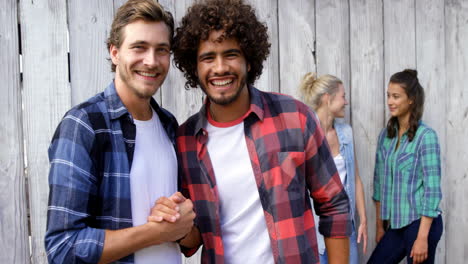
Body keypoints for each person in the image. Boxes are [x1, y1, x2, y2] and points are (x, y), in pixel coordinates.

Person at [153, 0, 352, 263]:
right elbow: (194, 239)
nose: (220, 67)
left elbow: (334, 207)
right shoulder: (185, 141)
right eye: (208, 57)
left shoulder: (295, 117)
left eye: (231, 54)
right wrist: (174, 222)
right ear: (195, 66)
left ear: (249, 59)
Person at [44, 0, 196, 263]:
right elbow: (63, 248)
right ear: (115, 53)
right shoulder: (84, 124)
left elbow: (189, 239)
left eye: (161, 50)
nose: (151, 61)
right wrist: (155, 232)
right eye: (139, 47)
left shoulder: (169, 126)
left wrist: (180, 222)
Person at [368, 69, 443, 264]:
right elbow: (379, 185)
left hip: (420, 224)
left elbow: (432, 191)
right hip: (396, 224)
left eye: (396, 96)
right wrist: (380, 226)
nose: (390, 102)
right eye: (388, 96)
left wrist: (422, 238)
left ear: (411, 99)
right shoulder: (385, 136)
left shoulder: (426, 137)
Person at [299, 73, 368, 263]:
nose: (346, 102)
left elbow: (355, 179)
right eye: (343, 96)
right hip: (315, 227)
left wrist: (362, 219)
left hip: (346, 225)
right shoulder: (305, 134)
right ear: (327, 99)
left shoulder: (346, 132)